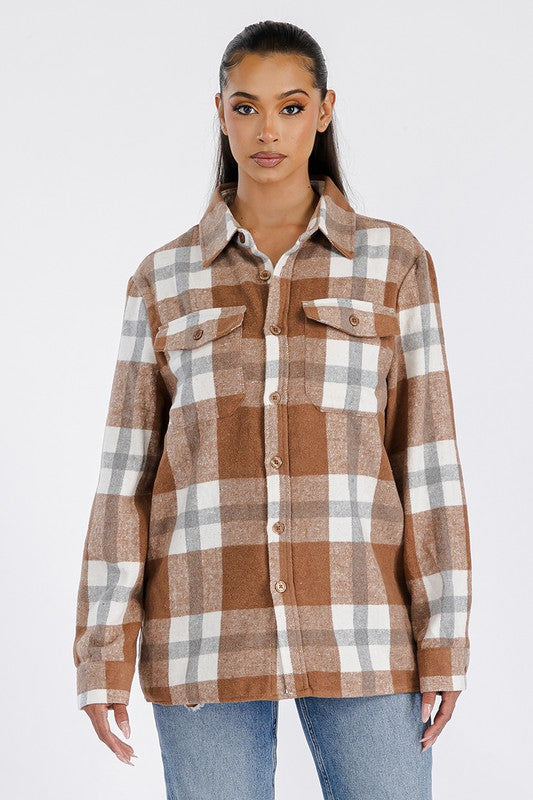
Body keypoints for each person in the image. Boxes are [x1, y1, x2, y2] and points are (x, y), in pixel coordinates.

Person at [72, 20, 472, 800]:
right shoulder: (163, 278)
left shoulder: (393, 263)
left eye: (289, 107)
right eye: (246, 107)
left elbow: (426, 460)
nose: (267, 130)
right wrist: (101, 653)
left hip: (361, 627)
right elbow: (125, 479)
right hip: (203, 629)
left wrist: (444, 638)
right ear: (219, 112)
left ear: (323, 111)